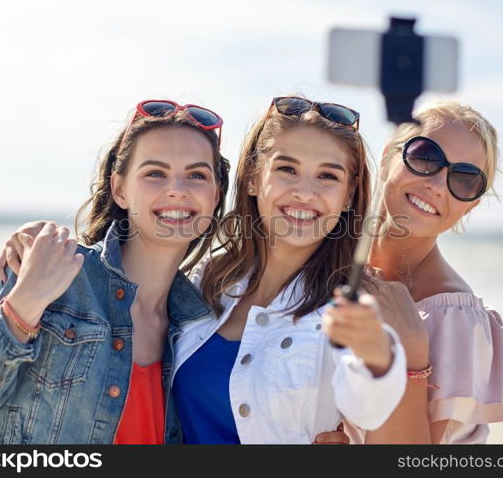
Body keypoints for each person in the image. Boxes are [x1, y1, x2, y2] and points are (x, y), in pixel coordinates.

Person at [0, 100, 232, 444]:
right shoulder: (49, 270)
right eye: (154, 173)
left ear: (215, 195)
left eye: (196, 175)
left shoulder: (201, 325)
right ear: (120, 189)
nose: (177, 189)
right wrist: (25, 305)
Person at [171, 96, 408, 443]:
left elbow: (367, 406)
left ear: (348, 195)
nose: (304, 192)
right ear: (253, 178)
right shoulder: (205, 280)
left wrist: (377, 352)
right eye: (287, 169)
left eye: (327, 175)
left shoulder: (351, 302)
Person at [348, 101, 503, 444]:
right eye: (426, 157)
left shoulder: (456, 319)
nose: (438, 185)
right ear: (387, 157)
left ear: (471, 204)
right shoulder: (327, 264)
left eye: (465, 180)